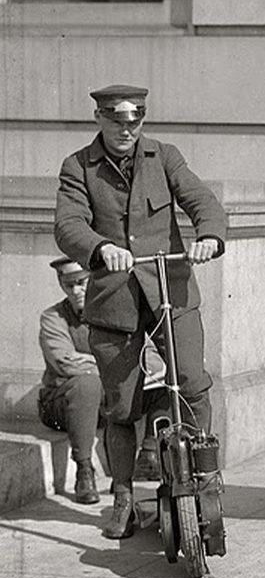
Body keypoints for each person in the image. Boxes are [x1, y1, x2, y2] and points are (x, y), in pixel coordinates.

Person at [54, 84, 227, 538]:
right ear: (99, 118)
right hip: (115, 299)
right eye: (116, 120)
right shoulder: (78, 167)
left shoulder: (164, 156)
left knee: (191, 380)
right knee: (122, 407)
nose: (127, 129)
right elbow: (68, 225)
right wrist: (99, 248)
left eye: (135, 120)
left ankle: (205, 477)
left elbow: (202, 201)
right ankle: (124, 494)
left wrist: (208, 235)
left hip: (171, 289)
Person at [37, 257, 168, 505]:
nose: (76, 291)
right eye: (69, 285)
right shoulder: (53, 317)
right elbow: (64, 362)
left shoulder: (117, 314)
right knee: (87, 384)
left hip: (103, 402)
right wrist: (115, 366)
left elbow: (151, 359)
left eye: (82, 282)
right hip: (62, 403)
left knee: (165, 384)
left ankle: (149, 455)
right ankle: (84, 470)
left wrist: (116, 368)